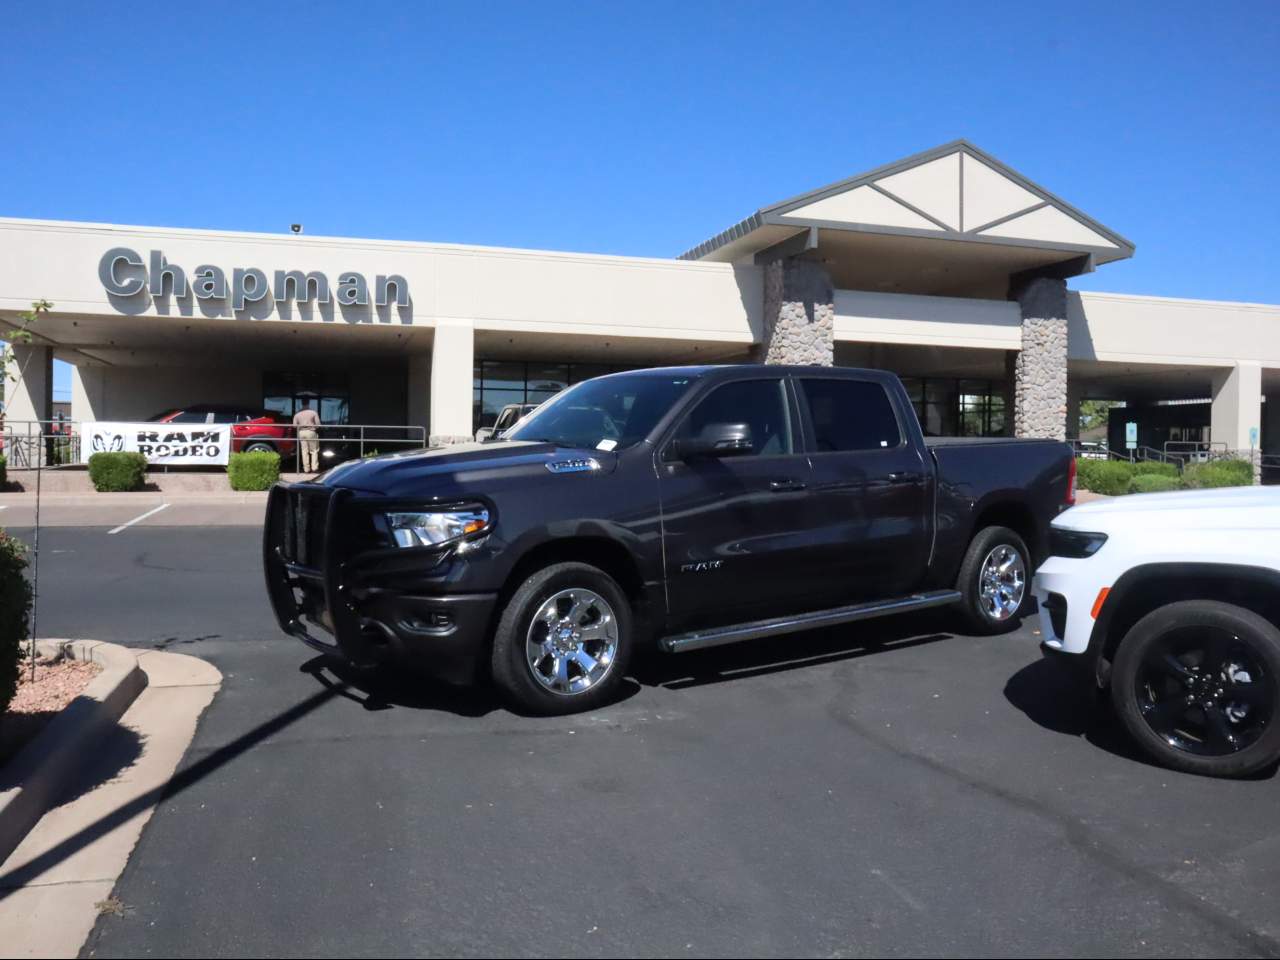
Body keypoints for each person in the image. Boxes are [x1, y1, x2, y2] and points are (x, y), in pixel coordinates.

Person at [292, 400, 321, 472]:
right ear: (308, 403)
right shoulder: (313, 412)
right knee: (314, 450)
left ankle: (306, 469)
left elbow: (294, 426)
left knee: (304, 451)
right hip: (311, 432)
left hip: (301, 432)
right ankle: (314, 468)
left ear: (302, 404)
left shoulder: (297, 414)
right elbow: (318, 424)